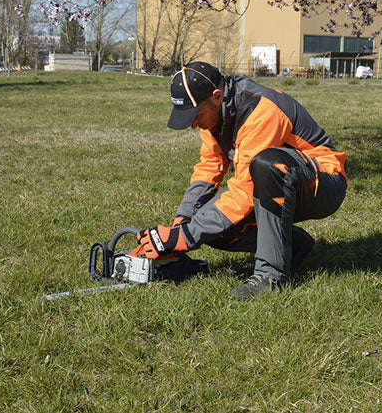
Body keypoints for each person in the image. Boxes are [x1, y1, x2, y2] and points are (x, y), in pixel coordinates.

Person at [137, 61, 347, 299]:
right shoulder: (216, 114)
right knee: (208, 223)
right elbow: (209, 168)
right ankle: (294, 246)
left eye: (196, 115)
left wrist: (186, 236)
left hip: (324, 183)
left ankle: (270, 277)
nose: (194, 124)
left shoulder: (261, 110)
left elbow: (245, 192)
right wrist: (182, 223)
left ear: (216, 96)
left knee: (268, 165)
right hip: (282, 184)